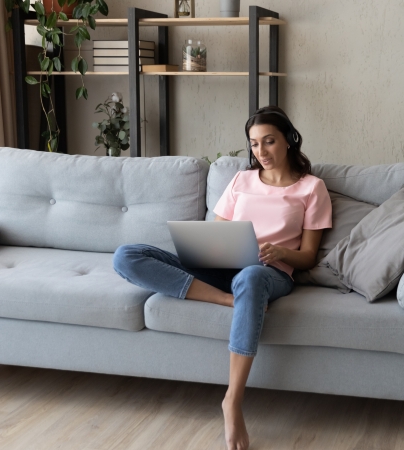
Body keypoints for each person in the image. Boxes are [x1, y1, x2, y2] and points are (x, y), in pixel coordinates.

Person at [112, 105, 332, 450]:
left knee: (252, 277)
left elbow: (307, 257)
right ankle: (229, 300)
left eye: (269, 142)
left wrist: (280, 251)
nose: (261, 152)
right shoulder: (242, 180)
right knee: (127, 255)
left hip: (269, 273)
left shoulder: (311, 188)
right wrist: (212, 251)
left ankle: (232, 400)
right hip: (222, 270)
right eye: (255, 144)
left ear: (289, 140)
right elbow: (219, 234)